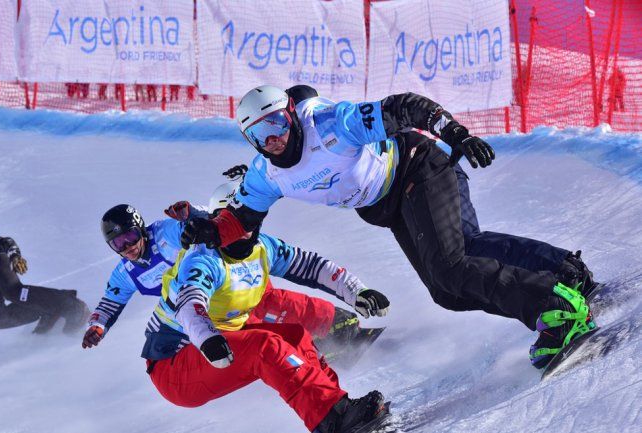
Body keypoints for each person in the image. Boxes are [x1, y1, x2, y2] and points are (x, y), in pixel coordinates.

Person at [179, 85, 595, 369]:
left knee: (451, 265)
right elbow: (241, 222)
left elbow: (404, 108)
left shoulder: (329, 123)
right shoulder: (265, 175)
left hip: (418, 168)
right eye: (260, 134)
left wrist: (455, 132)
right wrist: (212, 233)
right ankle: (559, 274)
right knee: (446, 289)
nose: (274, 140)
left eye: (278, 125)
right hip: (391, 203)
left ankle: (555, 309)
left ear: (292, 115)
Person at [140, 203, 391, 433]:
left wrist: (357, 290)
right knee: (264, 347)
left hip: (213, 339)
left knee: (295, 336)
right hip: (175, 364)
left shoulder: (263, 248)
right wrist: (206, 338)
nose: (240, 230)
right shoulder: (204, 259)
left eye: (246, 221)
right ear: (215, 224)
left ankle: (339, 406)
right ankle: (331, 421)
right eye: (228, 222)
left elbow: (311, 266)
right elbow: (189, 302)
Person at [82, 186, 386, 358]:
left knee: (280, 305)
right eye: (118, 244)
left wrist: (193, 214)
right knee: (259, 332)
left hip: (233, 278)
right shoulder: (126, 273)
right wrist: (98, 326)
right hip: (213, 307)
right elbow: (111, 301)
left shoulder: (165, 234)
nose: (128, 248)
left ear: (141, 229)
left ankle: (342, 324)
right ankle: (314, 351)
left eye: (131, 237)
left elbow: (210, 223)